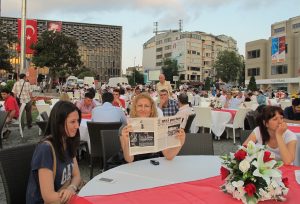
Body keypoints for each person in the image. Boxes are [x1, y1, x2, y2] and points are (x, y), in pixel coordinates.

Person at [26, 101, 82, 204]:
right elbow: (49, 197)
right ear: (59, 123)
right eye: (72, 122)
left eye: (77, 121)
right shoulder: (45, 149)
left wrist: (71, 188)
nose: (77, 126)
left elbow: (77, 176)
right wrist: (75, 198)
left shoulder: (68, 141)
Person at [120, 93, 186, 163]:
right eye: (139, 106)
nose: (143, 109)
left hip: (153, 164)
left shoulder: (158, 126)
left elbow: (168, 156)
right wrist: (127, 142)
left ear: (151, 109)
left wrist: (181, 142)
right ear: (135, 108)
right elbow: (129, 160)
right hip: (133, 166)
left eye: (146, 106)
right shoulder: (126, 127)